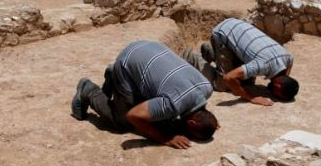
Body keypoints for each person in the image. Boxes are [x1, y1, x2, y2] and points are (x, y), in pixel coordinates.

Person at [71, 40, 219, 149]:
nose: (189, 136)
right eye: (191, 133)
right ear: (191, 123)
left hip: (150, 47)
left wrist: (209, 123)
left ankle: (114, 77)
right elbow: (133, 116)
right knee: (122, 122)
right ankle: (88, 90)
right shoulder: (172, 104)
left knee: (162, 118)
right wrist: (166, 139)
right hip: (127, 61)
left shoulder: (206, 88)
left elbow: (201, 113)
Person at [182, 18, 299, 106]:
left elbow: (290, 63)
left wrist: (285, 78)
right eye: (276, 94)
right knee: (223, 85)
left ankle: (210, 52)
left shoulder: (287, 58)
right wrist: (251, 97)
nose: (273, 95)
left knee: (246, 81)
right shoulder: (263, 65)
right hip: (222, 34)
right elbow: (228, 78)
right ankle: (192, 56)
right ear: (277, 86)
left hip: (237, 26)